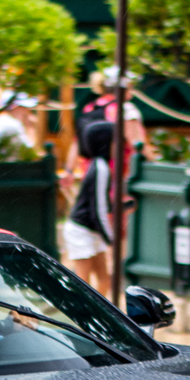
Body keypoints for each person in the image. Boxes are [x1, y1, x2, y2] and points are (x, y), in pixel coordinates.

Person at [63, 91, 145, 292]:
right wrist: (111, 239)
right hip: (83, 230)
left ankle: (97, 318)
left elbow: (102, 204)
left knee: (105, 280)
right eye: (117, 142)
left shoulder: (102, 167)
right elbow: (99, 208)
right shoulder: (100, 169)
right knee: (83, 282)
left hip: (93, 230)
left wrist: (123, 206)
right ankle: (81, 318)